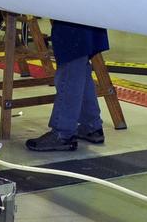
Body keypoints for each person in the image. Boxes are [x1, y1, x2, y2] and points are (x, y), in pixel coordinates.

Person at [26, 20, 110, 152]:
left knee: (71, 63)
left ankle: (62, 133)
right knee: (79, 62)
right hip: (87, 16)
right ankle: (90, 125)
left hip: (73, 18)